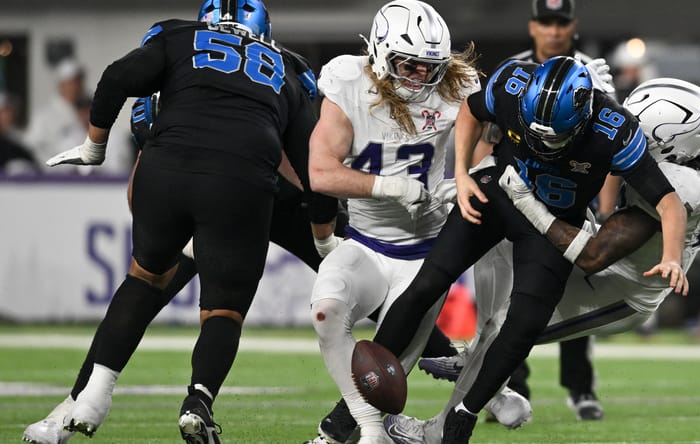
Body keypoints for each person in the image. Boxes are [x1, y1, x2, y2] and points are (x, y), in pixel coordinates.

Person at [22, 1, 326, 443]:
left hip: (186, 180)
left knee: (141, 283)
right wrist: (326, 227)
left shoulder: (177, 41)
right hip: (248, 187)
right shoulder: (286, 67)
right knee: (229, 305)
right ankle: (118, 403)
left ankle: (87, 398)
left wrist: (95, 147)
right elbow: (312, 161)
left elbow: (129, 119)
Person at [384, 77, 700, 443]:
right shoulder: (699, 141)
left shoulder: (687, 184)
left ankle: (440, 430)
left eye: (646, 141)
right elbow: (618, 156)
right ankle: (482, 367)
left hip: (623, 284)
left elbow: (593, 256)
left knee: (507, 327)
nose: (635, 143)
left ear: (674, 147)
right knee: (498, 250)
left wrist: (527, 203)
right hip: (615, 245)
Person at [303, 1, 502, 442]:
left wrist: (466, 178)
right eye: (407, 64)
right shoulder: (349, 81)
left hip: (425, 256)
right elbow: (320, 173)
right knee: (325, 309)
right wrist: (391, 187)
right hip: (366, 241)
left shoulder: (458, 84)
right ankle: (371, 428)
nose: (419, 76)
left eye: (429, 66)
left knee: (390, 365)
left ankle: (353, 432)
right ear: (378, 52)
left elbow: (493, 146)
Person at [452, 0, 610, 420]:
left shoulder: (591, 73)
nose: (554, 30)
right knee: (506, 302)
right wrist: (474, 178)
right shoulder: (514, 71)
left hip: (570, 203)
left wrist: (607, 211)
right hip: (515, 195)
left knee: (572, 298)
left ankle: (581, 389)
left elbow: (613, 153)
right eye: (546, 21)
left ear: (572, 26)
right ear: (533, 26)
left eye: (561, 22)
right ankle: (503, 388)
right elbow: (487, 133)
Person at [24, 58, 87, 174]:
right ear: (62, 84)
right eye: (73, 82)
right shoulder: (43, 116)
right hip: (54, 180)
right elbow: (33, 150)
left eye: (79, 81)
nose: (77, 86)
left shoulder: (88, 112)